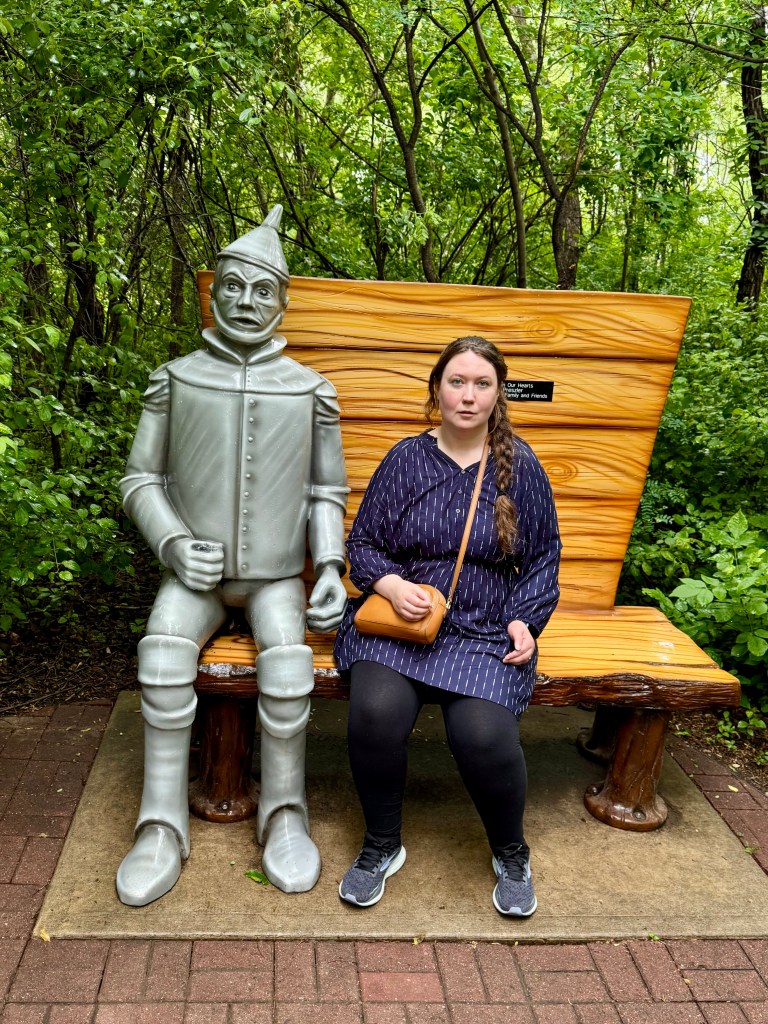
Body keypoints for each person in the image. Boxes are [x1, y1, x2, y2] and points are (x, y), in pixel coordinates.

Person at [116, 206, 349, 906]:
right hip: (196, 578)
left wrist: (331, 566)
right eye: (233, 288)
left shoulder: (311, 390)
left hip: (278, 575)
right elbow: (140, 478)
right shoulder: (177, 378)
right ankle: (160, 824)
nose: (247, 303)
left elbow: (325, 488)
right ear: (212, 291)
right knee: (161, 653)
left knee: (288, 665)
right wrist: (173, 542)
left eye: (263, 291)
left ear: (284, 301)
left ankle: (284, 815)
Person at [333, 335, 560, 916]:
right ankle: (381, 844)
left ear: (497, 394)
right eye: (457, 382)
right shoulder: (406, 458)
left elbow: (542, 560)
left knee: (482, 736)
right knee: (375, 714)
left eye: (482, 384)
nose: (468, 395)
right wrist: (388, 585)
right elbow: (363, 542)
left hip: (484, 628)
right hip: (402, 627)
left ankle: (511, 852)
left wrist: (525, 621)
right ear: (437, 389)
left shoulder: (521, 466)